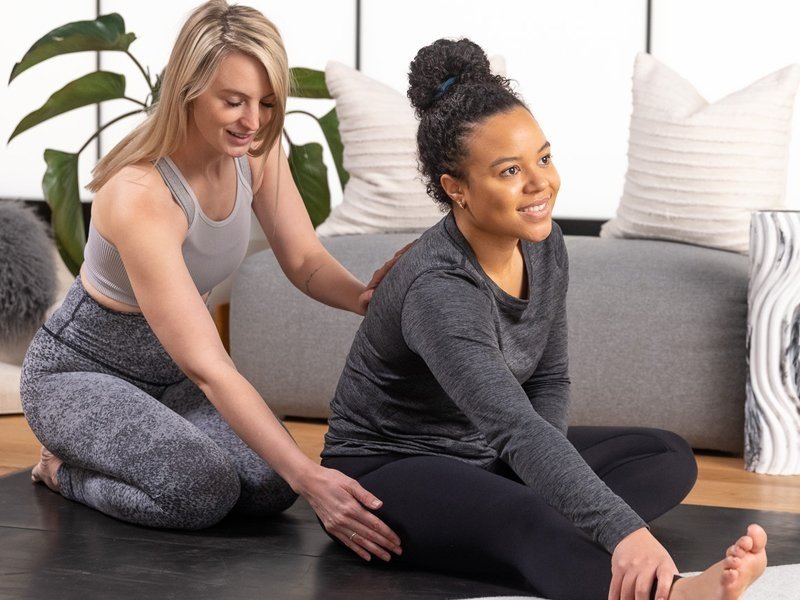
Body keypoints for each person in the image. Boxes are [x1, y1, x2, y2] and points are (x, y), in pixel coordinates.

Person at [320, 38, 767, 600]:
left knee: (665, 456)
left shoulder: (544, 242)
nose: (540, 185)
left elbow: (548, 379)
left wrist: (546, 478)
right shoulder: (439, 289)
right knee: (530, 516)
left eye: (544, 158)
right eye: (510, 171)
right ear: (455, 188)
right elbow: (513, 425)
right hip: (387, 476)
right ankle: (674, 593)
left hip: (488, 457)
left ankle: (532, 522)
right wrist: (622, 528)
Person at [20, 0, 402, 563]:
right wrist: (310, 476)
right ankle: (61, 471)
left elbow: (304, 260)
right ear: (189, 89)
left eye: (267, 103)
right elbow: (209, 365)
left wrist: (367, 299)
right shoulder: (141, 196)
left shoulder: (254, 155)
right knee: (203, 491)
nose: (254, 120)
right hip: (78, 377)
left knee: (269, 487)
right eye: (234, 101)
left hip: (170, 379)